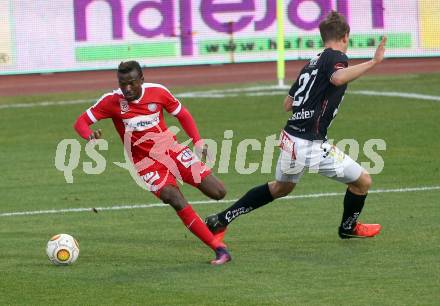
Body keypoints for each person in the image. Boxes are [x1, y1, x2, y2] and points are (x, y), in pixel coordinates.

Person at [206, 11, 386, 241]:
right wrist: (374, 62)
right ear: (345, 36)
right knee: (363, 181)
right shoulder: (335, 58)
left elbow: (287, 103)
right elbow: (338, 78)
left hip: (291, 137)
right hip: (310, 143)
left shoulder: (311, 64)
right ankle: (348, 228)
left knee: (281, 187)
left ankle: (221, 220)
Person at [73, 60, 231, 265]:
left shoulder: (158, 92)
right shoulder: (111, 101)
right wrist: (89, 136)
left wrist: (198, 141)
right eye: (122, 84)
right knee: (173, 197)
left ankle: (214, 226)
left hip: (172, 150)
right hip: (145, 163)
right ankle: (219, 248)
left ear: (141, 80)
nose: (127, 89)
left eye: (131, 83)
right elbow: (81, 122)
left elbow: (182, 114)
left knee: (218, 192)